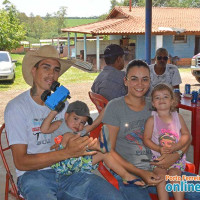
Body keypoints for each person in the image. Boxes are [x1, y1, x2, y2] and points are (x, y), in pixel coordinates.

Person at [4, 45, 125, 200]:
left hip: (68, 171)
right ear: (33, 71)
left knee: (113, 197)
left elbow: (75, 136)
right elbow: (21, 162)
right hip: (35, 176)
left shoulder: (64, 106)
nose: (52, 74)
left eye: (56, 70)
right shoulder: (17, 108)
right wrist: (67, 152)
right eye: (46, 68)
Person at [102, 59, 200, 200]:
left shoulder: (158, 104)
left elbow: (186, 137)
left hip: (167, 171)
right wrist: (140, 173)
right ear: (125, 81)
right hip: (131, 176)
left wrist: (176, 154)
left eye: (145, 79)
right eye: (134, 79)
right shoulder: (115, 107)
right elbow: (108, 150)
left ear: (150, 81)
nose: (140, 84)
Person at [41, 100, 144, 186]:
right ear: (66, 115)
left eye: (82, 122)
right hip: (61, 163)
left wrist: (107, 108)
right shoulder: (60, 124)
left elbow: (95, 123)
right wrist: (53, 112)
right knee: (68, 136)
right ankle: (96, 145)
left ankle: (126, 176)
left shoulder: (79, 131)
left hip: (77, 164)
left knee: (105, 153)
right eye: (76, 118)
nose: (78, 124)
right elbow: (44, 129)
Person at [143, 83, 190, 200]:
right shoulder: (151, 120)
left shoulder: (178, 117)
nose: (161, 100)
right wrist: (158, 148)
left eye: (165, 96)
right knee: (160, 177)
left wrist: (177, 147)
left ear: (172, 101)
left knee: (175, 176)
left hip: (176, 158)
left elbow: (186, 135)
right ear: (153, 103)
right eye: (157, 97)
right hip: (158, 159)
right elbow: (146, 139)